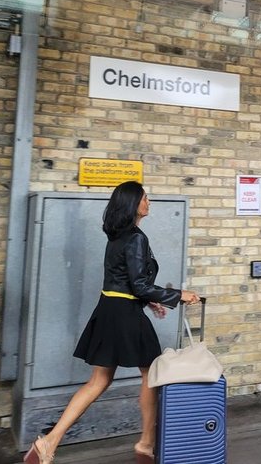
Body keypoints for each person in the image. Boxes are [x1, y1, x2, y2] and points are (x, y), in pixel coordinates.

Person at [24, 181, 200, 463]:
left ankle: (49, 441)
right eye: (145, 197)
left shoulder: (117, 236)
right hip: (125, 314)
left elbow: (126, 282)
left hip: (110, 308)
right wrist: (178, 295)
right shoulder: (136, 238)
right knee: (151, 375)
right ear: (133, 203)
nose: (149, 202)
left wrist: (151, 300)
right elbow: (139, 285)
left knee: (99, 380)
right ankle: (145, 443)